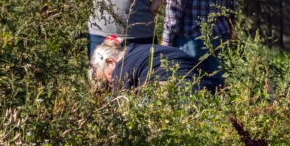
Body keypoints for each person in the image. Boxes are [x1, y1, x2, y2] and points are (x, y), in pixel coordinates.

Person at [87, 37, 221, 92]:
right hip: (207, 86)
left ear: (110, 62)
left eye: (108, 79)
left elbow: (120, 106)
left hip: (179, 91)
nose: (111, 84)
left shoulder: (122, 68)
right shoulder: (142, 50)